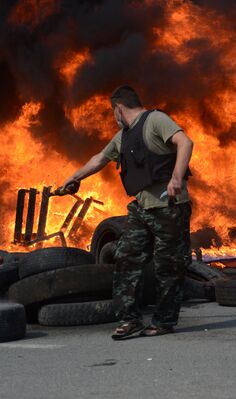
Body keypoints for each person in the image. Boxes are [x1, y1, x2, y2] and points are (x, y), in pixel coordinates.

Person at [61, 85, 194, 339]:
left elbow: (185, 142)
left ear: (118, 109)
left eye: (114, 112)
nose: (114, 117)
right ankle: (130, 320)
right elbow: (100, 158)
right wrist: (73, 178)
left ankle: (164, 321)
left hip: (169, 208)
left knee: (169, 266)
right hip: (141, 209)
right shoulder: (124, 135)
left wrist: (176, 177)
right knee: (126, 258)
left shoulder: (155, 120)